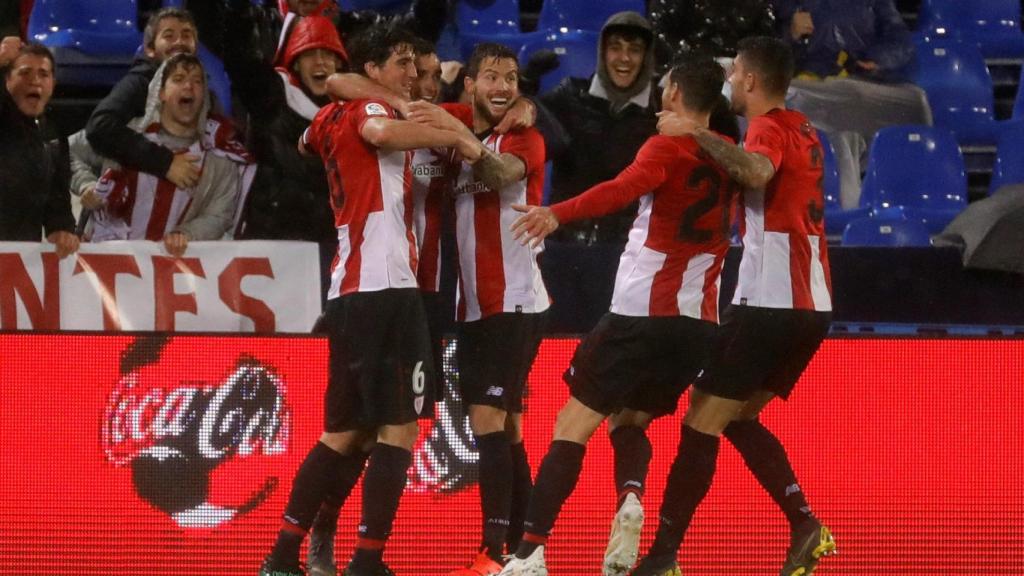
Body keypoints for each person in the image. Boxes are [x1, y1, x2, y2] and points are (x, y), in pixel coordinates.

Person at [498, 52, 735, 576]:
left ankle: (529, 553)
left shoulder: (666, 145)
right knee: (630, 421)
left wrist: (555, 213)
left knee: (572, 423)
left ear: (672, 95)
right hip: (698, 323)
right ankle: (631, 497)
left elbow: (620, 191)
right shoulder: (732, 155)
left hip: (640, 311)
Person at [258, 22, 483, 576]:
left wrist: (377, 96)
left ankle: (283, 555)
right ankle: (367, 561)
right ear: (374, 69)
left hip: (349, 290)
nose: (412, 74)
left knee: (342, 432)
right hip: (387, 287)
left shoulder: (329, 119)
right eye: (402, 63)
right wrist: (453, 135)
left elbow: (309, 136)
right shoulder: (371, 115)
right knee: (399, 428)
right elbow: (378, 134)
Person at [630, 36, 836, 576]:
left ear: (749, 79)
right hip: (813, 303)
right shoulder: (804, 127)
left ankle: (661, 557)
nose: (728, 82)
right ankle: (804, 523)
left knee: (701, 418)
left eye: (735, 73)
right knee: (738, 416)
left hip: (770, 299)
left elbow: (758, 173)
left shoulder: (766, 127)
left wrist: (695, 130)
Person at [533, 11, 661, 332]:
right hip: (566, 251)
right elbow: (522, 126)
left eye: (634, 49)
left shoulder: (664, 109)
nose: (624, 58)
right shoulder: (568, 96)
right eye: (615, 47)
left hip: (633, 257)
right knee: (558, 357)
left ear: (647, 57)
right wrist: (525, 87)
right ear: (602, 52)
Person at [223, 13, 347, 300]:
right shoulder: (273, 97)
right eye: (310, 55)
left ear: (340, 63)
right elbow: (239, 59)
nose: (320, 62)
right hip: (274, 242)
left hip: (329, 247)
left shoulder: (354, 112)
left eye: (327, 55)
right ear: (295, 64)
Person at [87, 53, 247, 256]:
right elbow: (71, 150)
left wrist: (187, 233)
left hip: (179, 279)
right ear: (160, 92)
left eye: (197, 81)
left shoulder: (220, 158)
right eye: (178, 79)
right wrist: (86, 184)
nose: (189, 86)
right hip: (119, 274)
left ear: (205, 95)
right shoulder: (125, 140)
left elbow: (219, 215)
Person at [85, 7, 204, 191]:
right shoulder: (140, 82)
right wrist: (165, 163)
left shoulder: (203, 88)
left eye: (186, 35)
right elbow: (99, 127)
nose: (179, 42)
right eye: (169, 36)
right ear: (150, 49)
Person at [0, 37, 78, 257]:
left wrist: (61, 230)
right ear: (7, 80)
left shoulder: (53, 134)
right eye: (25, 73)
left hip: (17, 266)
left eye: (44, 74)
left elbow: (57, 198)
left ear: (53, 83)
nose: (35, 81)